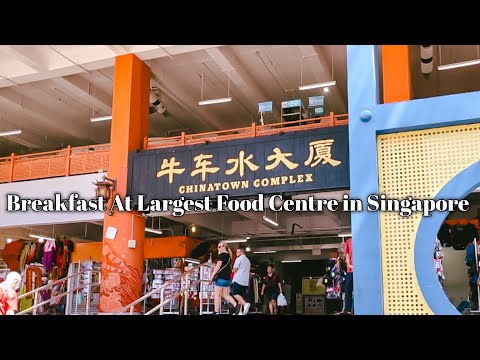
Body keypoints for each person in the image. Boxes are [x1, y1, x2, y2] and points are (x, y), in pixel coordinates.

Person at [209, 242, 240, 315]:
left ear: (224, 247)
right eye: (218, 247)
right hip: (227, 279)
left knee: (217, 295)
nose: (218, 248)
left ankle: (216, 311)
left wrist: (212, 276)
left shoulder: (221, 255)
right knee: (225, 295)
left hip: (220, 278)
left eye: (219, 247)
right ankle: (236, 305)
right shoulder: (229, 256)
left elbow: (218, 266)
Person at [232, 247, 251, 315]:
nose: (236, 253)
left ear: (241, 252)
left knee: (235, 293)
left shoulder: (239, 259)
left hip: (238, 279)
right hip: (245, 281)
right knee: (241, 296)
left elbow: (234, 269)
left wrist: (230, 271)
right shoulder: (248, 261)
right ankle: (240, 312)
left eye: (237, 252)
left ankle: (245, 304)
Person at [336, 237, 353, 315]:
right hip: (351, 270)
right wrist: (349, 265)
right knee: (348, 289)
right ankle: (347, 310)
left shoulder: (362, 240)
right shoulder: (349, 241)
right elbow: (347, 254)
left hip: (361, 270)